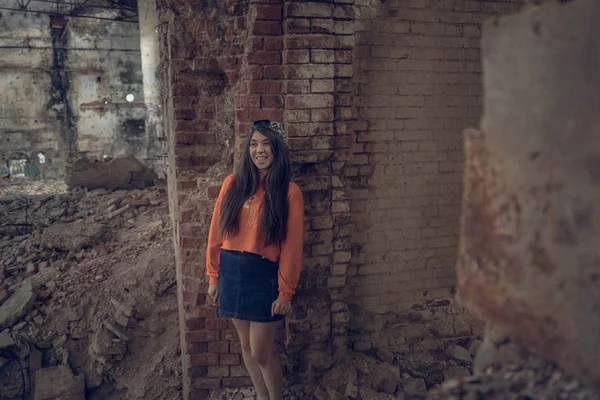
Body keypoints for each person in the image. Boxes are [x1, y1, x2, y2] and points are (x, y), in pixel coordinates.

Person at [205, 120, 304, 400]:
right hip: (232, 271)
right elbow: (217, 230)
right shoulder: (233, 183)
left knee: (261, 350)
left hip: (263, 275)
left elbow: (292, 247)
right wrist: (214, 276)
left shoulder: (289, 192)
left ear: (277, 149)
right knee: (246, 347)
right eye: (254, 144)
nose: (259, 150)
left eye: (266, 144)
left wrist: (286, 292)